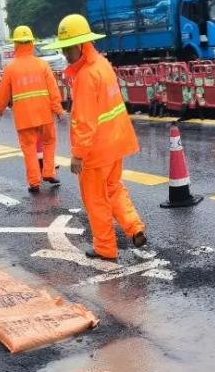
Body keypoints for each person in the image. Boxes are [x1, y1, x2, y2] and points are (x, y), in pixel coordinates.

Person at [45, 15, 146, 261]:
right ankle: (134, 227)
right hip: (116, 143)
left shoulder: (86, 76)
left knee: (95, 200)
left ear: (82, 45)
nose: (65, 54)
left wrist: (78, 154)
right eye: (63, 48)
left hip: (96, 151)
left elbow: (84, 120)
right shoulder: (102, 65)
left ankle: (104, 248)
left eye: (69, 48)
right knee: (113, 188)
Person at [0, 25, 64, 192]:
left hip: (24, 117)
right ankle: (49, 172)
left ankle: (34, 182)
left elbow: (3, 93)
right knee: (48, 142)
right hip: (45, 114)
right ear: (32, 43)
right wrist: (58, 110)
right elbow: (53, 90)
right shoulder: (42, 65)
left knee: (29, 149)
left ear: (16, 44)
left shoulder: (11, 68)